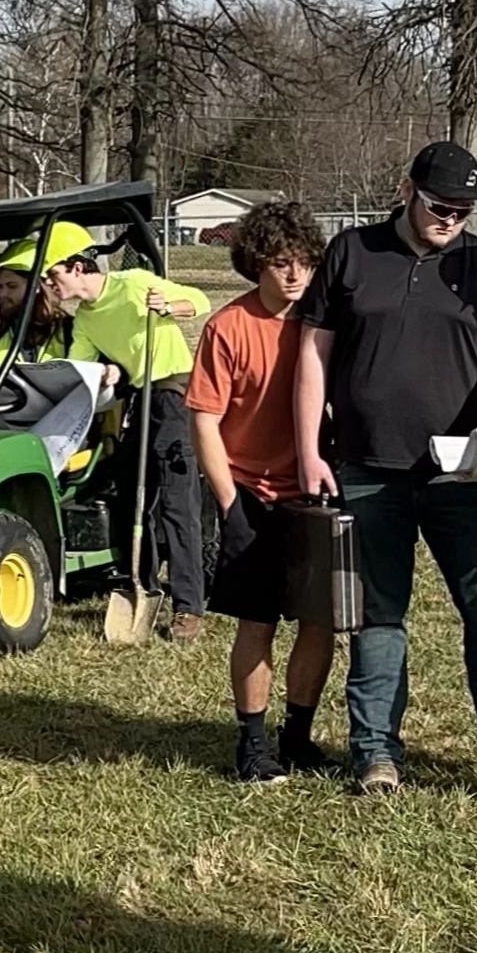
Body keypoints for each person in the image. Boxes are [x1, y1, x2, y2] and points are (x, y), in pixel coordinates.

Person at [291, 141, 477, 795]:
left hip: (462, 470)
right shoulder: (352, 252)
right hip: (367, 467)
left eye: (462, 211)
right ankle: (374, 754)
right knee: (377, 615)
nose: (449, 219)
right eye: (439, 206)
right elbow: (312, 357)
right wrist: (309, 450)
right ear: (407, 189)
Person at [187, 202, 337, 781]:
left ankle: (297, 737)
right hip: (249, 490)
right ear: (255, 265)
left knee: (319, 619)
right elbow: (204, 419)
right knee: (258, 623)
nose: (295, 275)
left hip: (314, 492)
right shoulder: (227, 328)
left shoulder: (323, 322)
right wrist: (229, 501)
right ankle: (252, 744)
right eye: (280, 263)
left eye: (303, 262)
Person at [10, 220, 213, 638]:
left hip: (174, 394)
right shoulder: (84, 320)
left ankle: (189, 607)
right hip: (139, 400)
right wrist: (104, 371)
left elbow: (200, 299)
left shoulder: (135, 283)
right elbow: (79, 369)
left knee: (177, 504)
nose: (51, 285)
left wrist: (171, 307)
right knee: (130, 497)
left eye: (53, 275)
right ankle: (142, 585)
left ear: (77, 268)